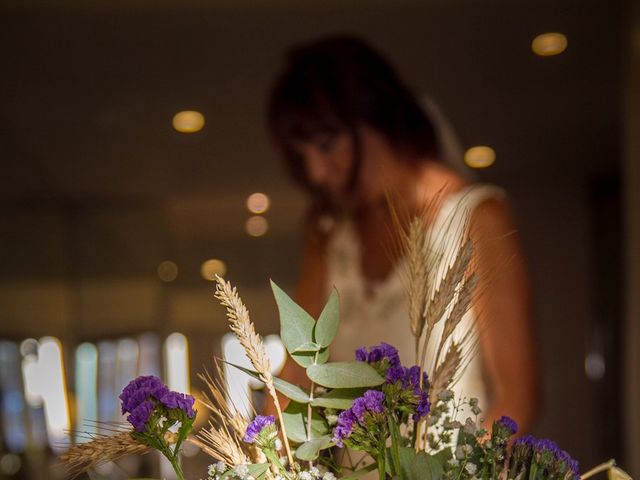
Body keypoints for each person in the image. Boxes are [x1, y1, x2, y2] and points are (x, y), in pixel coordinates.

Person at [265, 34, 538, 434]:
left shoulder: (477, 218)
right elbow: (297, 377)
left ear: (373, 115)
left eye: (326, 144)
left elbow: (518, 398)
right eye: (302, 156)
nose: (316, 173)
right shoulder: (329, 238)